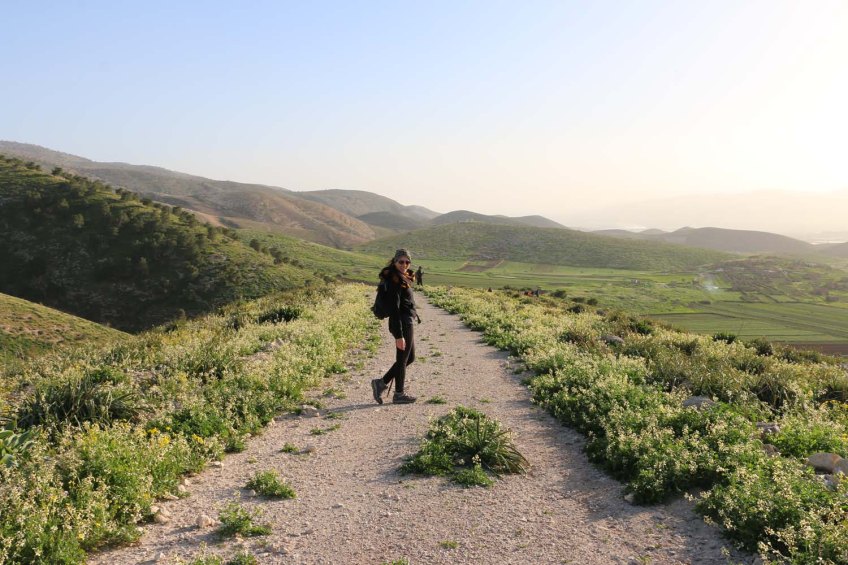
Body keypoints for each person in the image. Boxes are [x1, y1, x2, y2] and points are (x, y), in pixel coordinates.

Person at [372, 249, 419, 404]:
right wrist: (399, 336)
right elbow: (394, 309)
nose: (404, 265)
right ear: (395, 261)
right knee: (402, 359)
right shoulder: (394, 280)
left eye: (407, 262)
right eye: (401, 262)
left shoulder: (402, 277)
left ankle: (381, 383)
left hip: (406, 321)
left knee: (409, 357)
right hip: (402, 323)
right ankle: (399, 394)